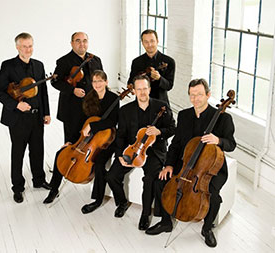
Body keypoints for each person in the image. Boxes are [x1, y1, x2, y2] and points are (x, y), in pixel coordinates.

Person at [145, 78, 236, 248]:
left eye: (199, 95)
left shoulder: (224, 118)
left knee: (213, 197)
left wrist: (218, 140)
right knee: (160, 181)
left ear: (208, 95)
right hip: (187, 165)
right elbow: (176, 143)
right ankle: (166, 222)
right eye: (192, 95)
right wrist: (169, 165)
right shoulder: (184, 115)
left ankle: (207, 228)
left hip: (210, 169)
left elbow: (231, 144)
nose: (196, 99)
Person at [105, 75, 176, 231]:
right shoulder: (125, 110)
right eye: (139, 89)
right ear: (134, 91)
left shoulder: (162, 106)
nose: (142, 92)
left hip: (153, 151)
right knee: (111, 176)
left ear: (149, 89)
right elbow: (121, 136)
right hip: (132, 149)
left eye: (145, 88)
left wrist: (160, 131)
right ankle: (122, 202)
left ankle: (145, 214)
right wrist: (119, 156)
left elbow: (172, 128)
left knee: (149, 179)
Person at [43, 70, 119, 210]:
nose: (97, 84)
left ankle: (97, 199)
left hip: (106, 141)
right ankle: (54, 189)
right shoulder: (89, 97)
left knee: (100, 164)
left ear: (106, 82)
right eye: (94, 81)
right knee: (61, 154)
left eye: (100, 81)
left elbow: (112, 121)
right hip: (87, 140)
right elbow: (80, 122)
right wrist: (72, 141)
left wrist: (92, 125)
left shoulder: (113, 98)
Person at [0, 32, 51, 203]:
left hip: (36, 117)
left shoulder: (39, 66)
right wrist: (16, 104)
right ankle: (17, 187)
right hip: (18, 118)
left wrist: (46, 112)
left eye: (30, 45)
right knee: (18, 152)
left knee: (37, 149)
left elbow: (43, 93)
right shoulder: (8, 66)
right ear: (17, 47)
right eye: (25, 46)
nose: (28, 49)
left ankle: (39, 180)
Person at [51, 32, 103, 144]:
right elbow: (55, 82)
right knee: (72, 142)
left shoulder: (96, 60)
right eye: (78, 41)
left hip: (91, 107)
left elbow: (102, 81)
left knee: (90, 140)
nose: (82, 44)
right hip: (72, 109)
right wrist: (72, 90)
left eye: (84, 41)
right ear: (72, 43)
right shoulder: (63, 61)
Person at [127, 29, 175, 104]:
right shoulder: (136, 62)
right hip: (141, 103)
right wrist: (131, 87)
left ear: (157, 41)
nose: (149, 45)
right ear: (142, 43)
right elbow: (131, 80)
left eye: (152, 41)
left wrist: (159, 78)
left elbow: (169, 86)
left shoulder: (169, 61)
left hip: (161, 103)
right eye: (146, 42)